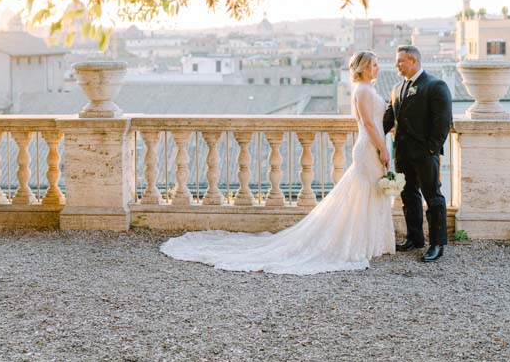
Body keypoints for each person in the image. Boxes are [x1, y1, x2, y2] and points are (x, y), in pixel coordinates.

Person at [160, 50, 395, 275]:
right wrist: (383, 148)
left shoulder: (365, 89)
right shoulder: (363, 91)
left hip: (372, 144)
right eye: (374, 64)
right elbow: (368, 124)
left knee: (369, 192)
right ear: (364, 68)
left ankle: (369, 242)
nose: (377, 68)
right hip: (369, 146)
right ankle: (359, 243)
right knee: (365, 191)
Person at [383, 45, 452, 263]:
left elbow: (442, 123)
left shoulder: (435, 86)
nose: (396, 65)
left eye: (400, 61)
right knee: (409, 196)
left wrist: (431, 150)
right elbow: (388, 119)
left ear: (413, 61)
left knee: (433, 197)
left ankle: (437, 244)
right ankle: (415, 238)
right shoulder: (396, 88)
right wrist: (370, 137)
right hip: (402, 155)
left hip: (425, 154)